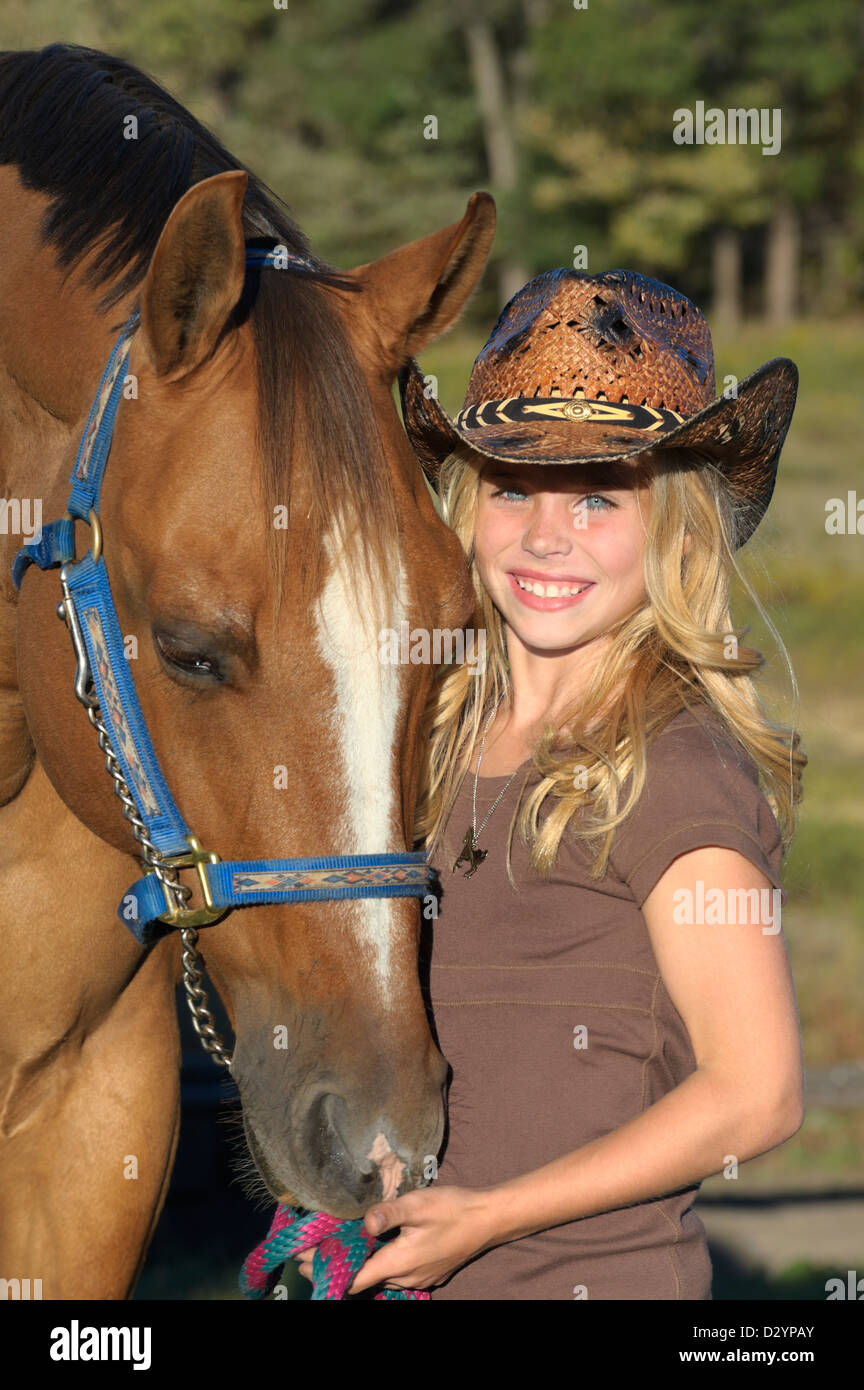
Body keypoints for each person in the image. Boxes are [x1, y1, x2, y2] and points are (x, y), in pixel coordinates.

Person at [302, 267, 807, 1300]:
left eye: (597, 499)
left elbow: (758, 1092)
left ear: (675, 527)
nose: (544, 537)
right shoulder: (433, 741)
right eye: (512, 488)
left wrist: (489, 1217)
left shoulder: (672, 764)